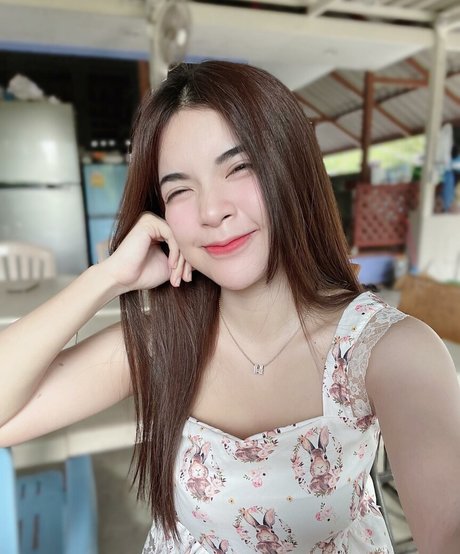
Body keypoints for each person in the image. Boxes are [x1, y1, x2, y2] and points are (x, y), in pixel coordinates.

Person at [0, 61, 459, 554]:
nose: (211, 210)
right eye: (179, 189)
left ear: (292, 167)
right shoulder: (162, 342)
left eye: (239, 167)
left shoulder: (384, 351)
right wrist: (106, 277)